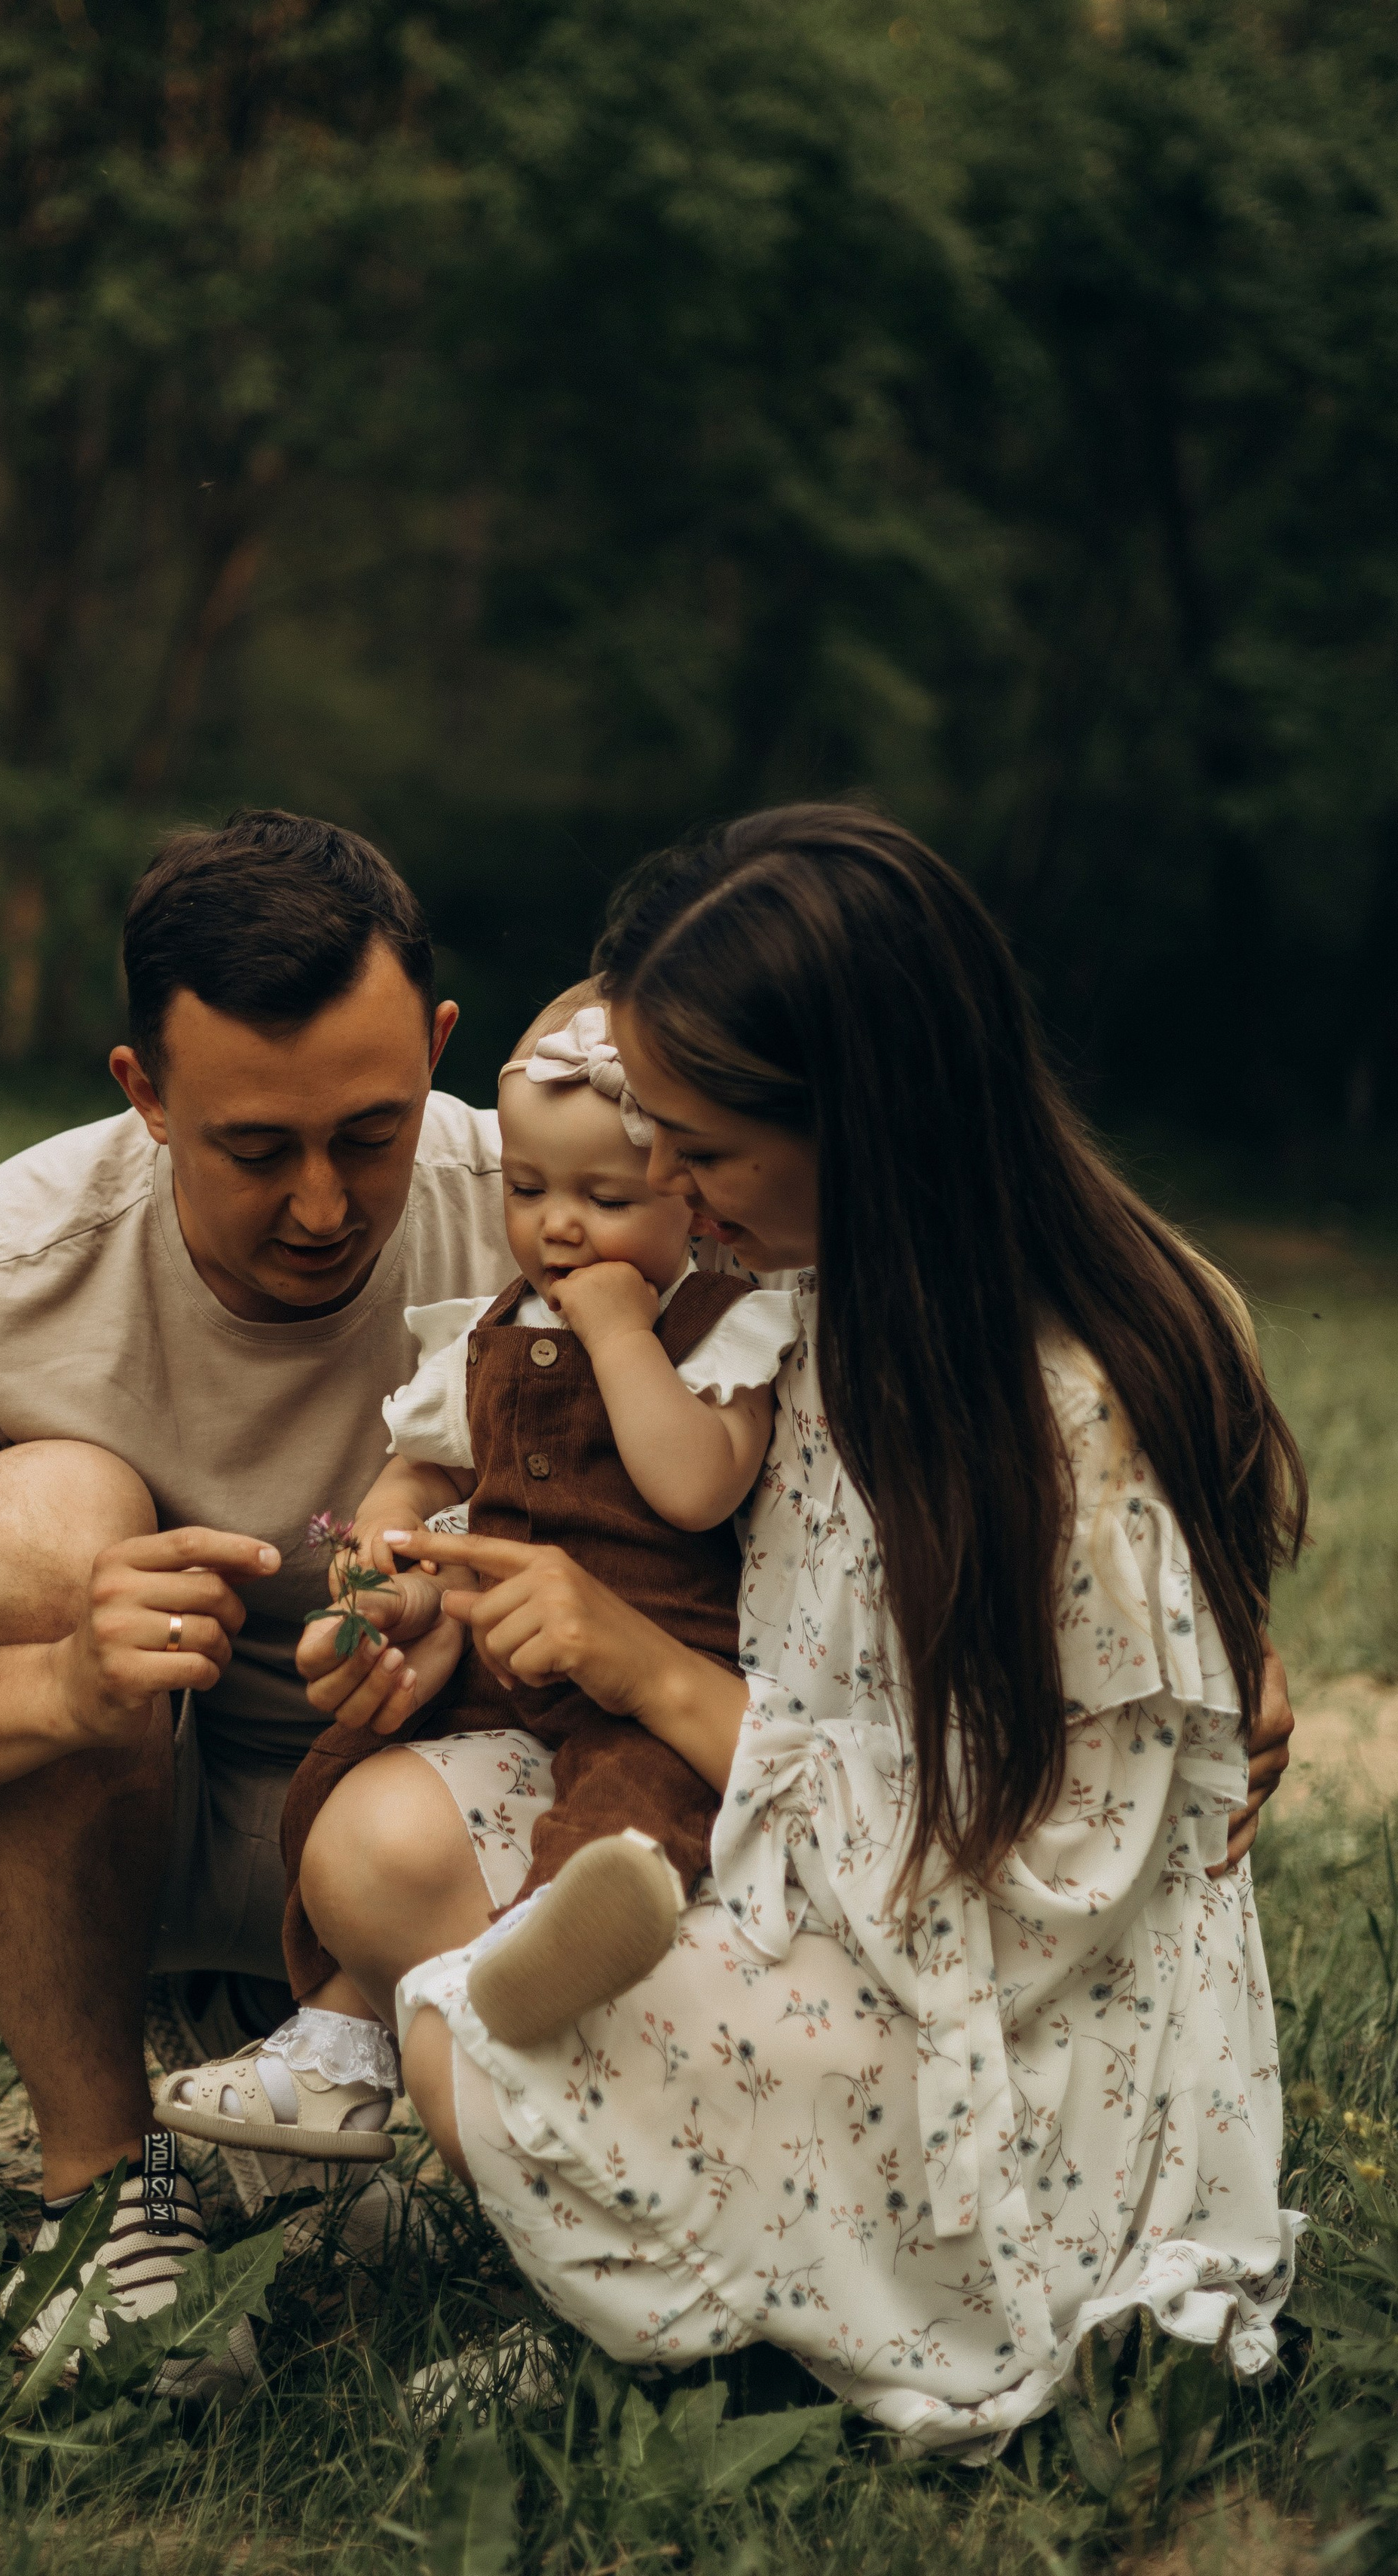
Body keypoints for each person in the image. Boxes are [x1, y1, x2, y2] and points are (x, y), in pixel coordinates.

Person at [286, 803, 1305, 2448]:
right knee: (397, 1869)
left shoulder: (1055, 1406)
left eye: (696, 1151)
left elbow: (1032, 1883)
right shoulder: (803, 1294)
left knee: (479, 2051)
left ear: (860, 1117)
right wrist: (453, 1584)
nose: (669, 1193)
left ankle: (750, 2351)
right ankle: (687, 2282)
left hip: (1007, 2027)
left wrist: (639, 1668)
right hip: (805, 1864)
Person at [0, 809, 509, 2390]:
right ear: (144, 1094)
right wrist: (57, 1684)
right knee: (35, 1522)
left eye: (370, 1135)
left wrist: (494, 1594)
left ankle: (502, 2178)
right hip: (109, 1822)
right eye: (255, 1149)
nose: (324, 1207)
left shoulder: (556, 1200)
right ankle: (109, 2206)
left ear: (440, 1049)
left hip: (430, 1827)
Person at [155, 987, 794, 2166]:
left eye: (607, 1200)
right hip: (499, 1655)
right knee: (344, 1763)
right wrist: (384, 1542)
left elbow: (695, 1486)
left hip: (649, 1675)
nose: (560, 1230)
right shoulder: (496, 1325)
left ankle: (542, 1956)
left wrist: (620, 1336)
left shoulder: (723, 1328)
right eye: (529, 1190)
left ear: (693, 1199)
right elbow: (420, 1463)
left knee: (627, 1808)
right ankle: (339, 2042)